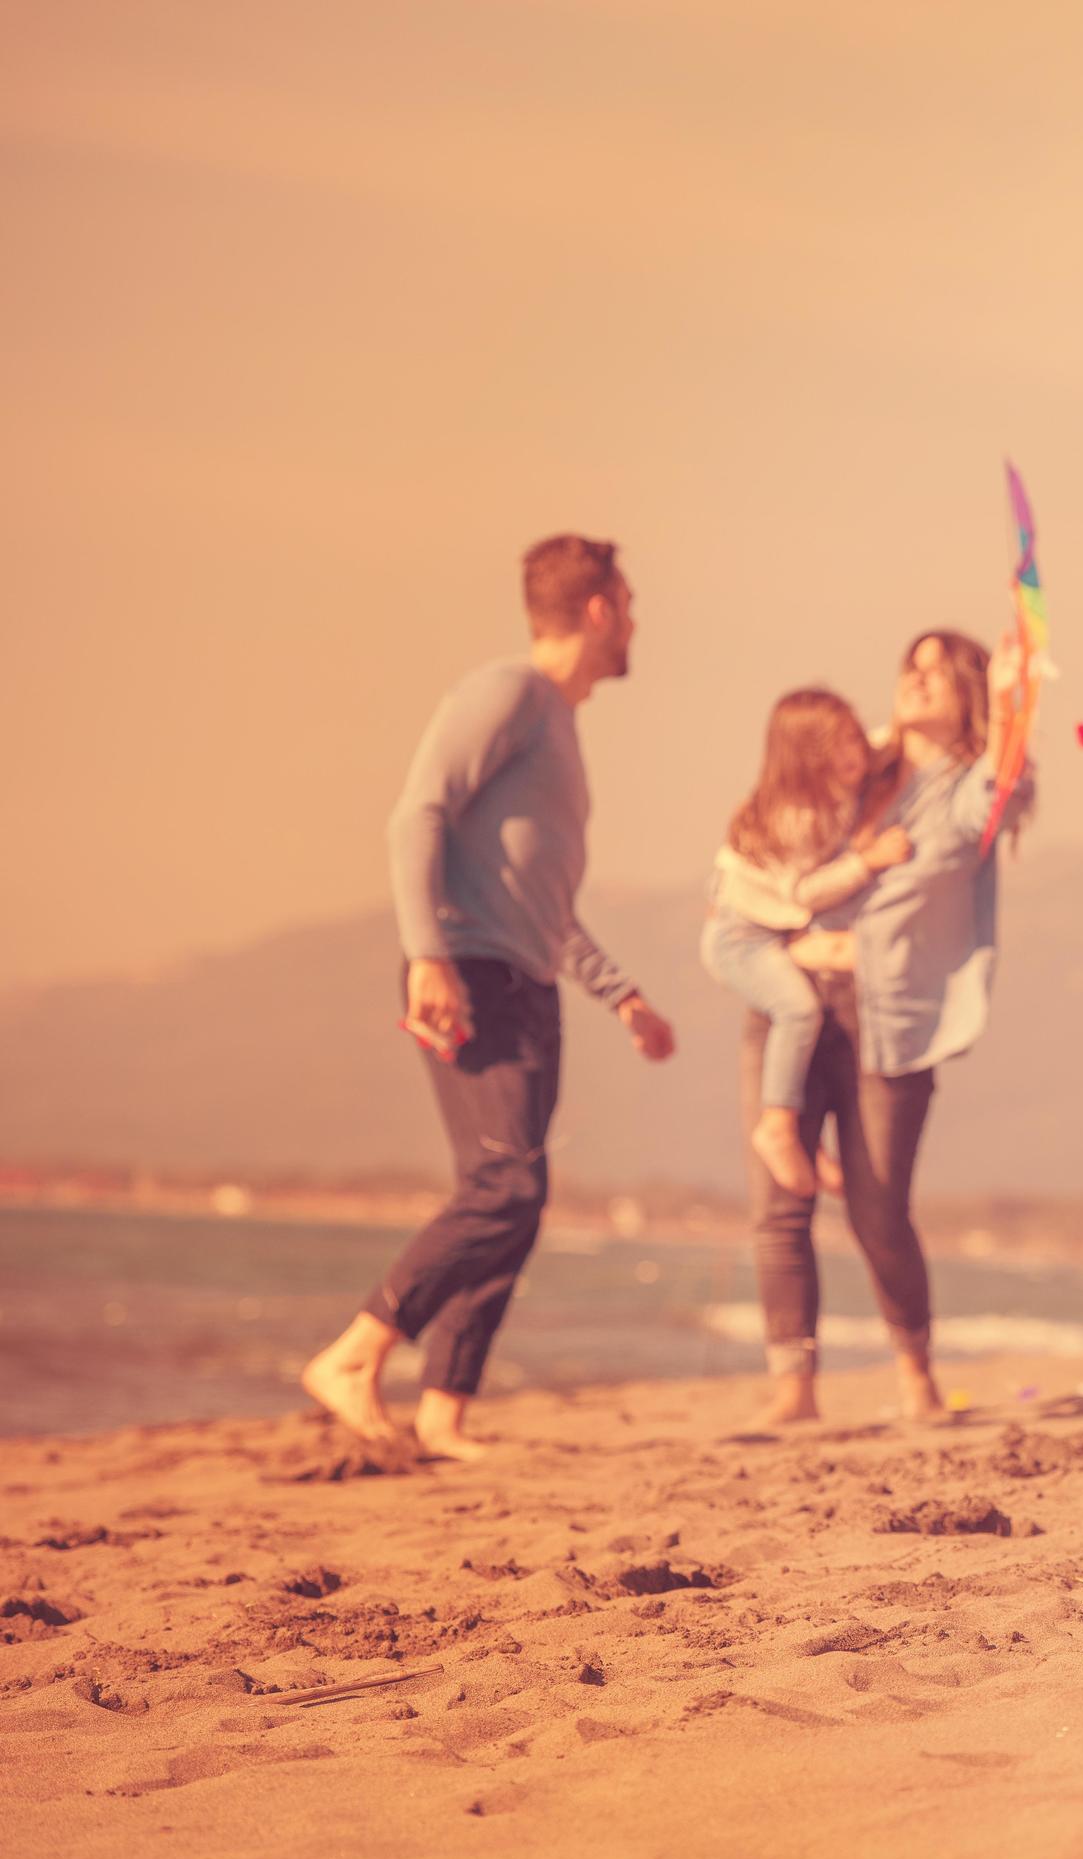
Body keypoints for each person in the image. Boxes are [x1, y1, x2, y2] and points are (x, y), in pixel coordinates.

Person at [300, 534, 676, 1460]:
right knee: (508, 1186)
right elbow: (414, 813)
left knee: (509, 1194)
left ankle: (443, 1412)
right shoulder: (507, 693)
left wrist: (618, 993)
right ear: (597, 609)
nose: (636, 621)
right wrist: (429, 957)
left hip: (522, 978)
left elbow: (541, 902)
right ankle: (358, 1352)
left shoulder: (556, 721)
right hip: (469, 973)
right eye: (628, 602)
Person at [743, 628, 1028, 1425]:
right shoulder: (847, 761)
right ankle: (792, 1390)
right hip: (790, 999)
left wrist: (1011, 701)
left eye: (940, 673)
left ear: (969, 693)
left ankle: (914, 1376)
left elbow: (1007, 789)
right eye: (912, 666)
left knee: (877, 1206)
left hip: (887, 1017)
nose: (919, 680)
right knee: (779, 1200)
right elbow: (764, 834)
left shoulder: (966, 786)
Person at [700, 688, 914, 1198]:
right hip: (741, 937)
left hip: (768, 930)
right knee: (797, 1012)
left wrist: (906, 711)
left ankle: (800, 1134)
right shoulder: (796, 816)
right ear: (803, 764)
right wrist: (870, 861)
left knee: (802, 1022)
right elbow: (804, 893)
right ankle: (776, 1127)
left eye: (853, 739)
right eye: (834, 750)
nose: (853, 757)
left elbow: (890, 740)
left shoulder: (854, 765)